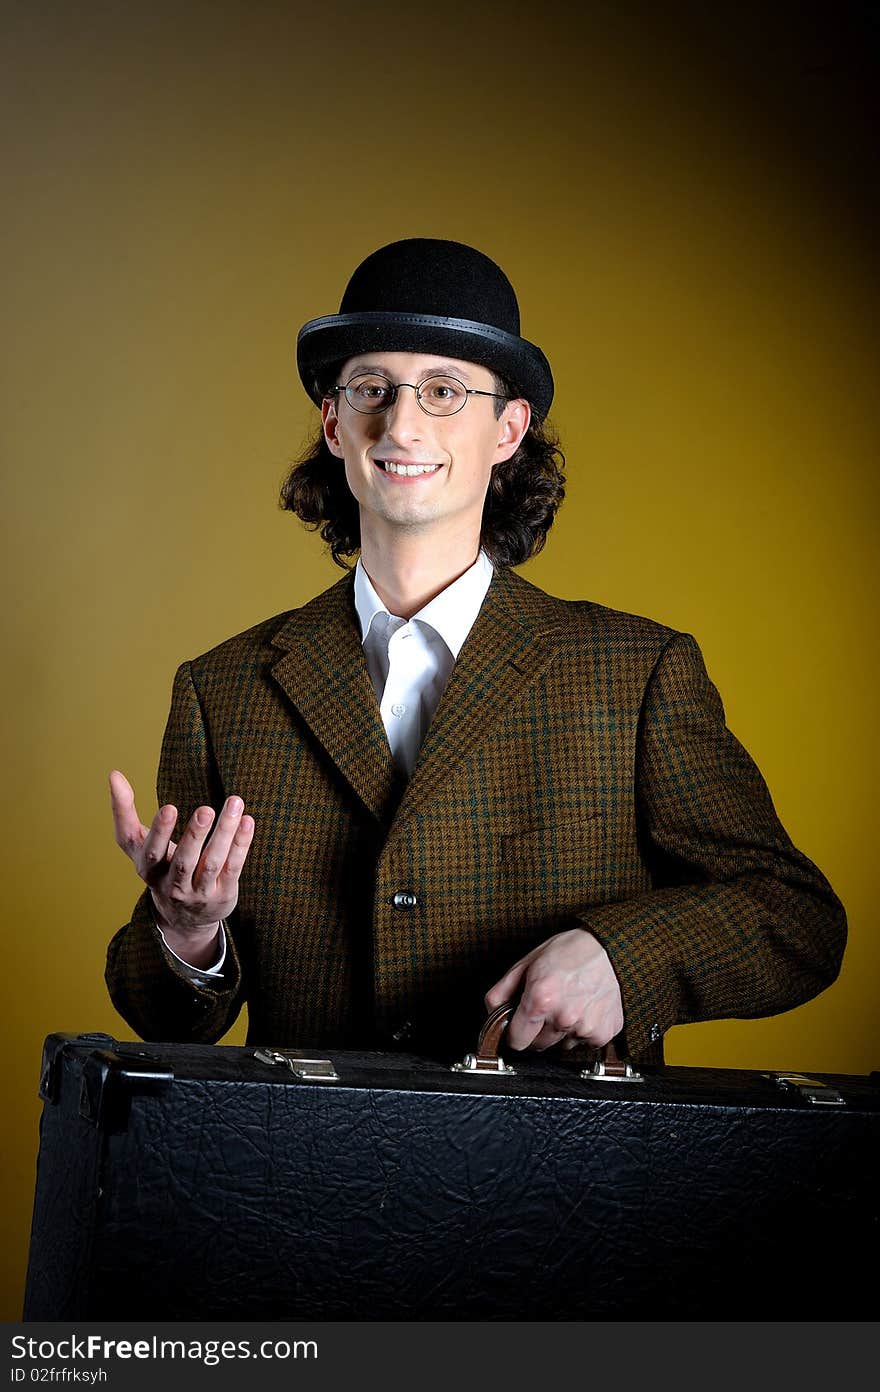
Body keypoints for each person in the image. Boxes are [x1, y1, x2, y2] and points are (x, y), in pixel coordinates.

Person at [106, 237, 847, 1065]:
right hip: (311, 1180)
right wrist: (188, 931)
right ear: (333, 422)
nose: (402, 422)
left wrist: (621, 961)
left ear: (509, 429)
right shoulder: (224, 689)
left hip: (568, 1185)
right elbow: (167, 1020)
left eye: (445, 390)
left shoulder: (636, 672)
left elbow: (797, 919)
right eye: (371, 389)